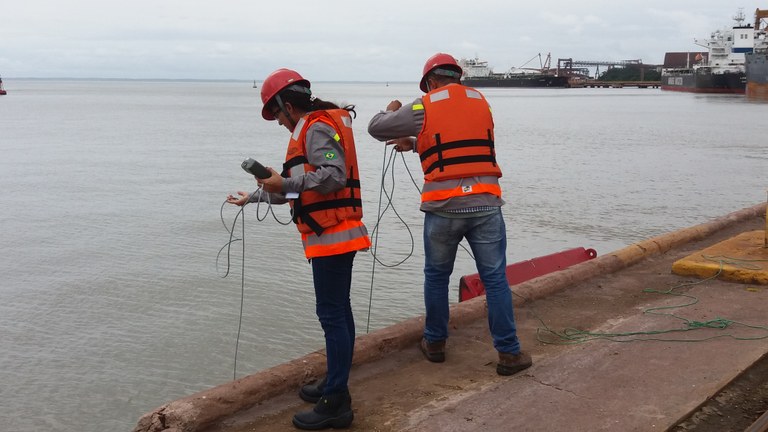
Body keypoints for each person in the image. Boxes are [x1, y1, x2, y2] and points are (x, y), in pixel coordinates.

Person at [367, 53, 532, 376]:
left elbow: (376, 128)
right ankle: (509, 353)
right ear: (459, 77)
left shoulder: (422, 105)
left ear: (430, 82)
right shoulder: (481, 101)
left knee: (436, 277)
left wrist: (391, 110)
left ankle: (435, 343)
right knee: (496, 280)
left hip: (444, 208)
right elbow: (459, 140)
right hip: (486, 204)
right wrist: (415, 144)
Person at [227, 68, 370, 430]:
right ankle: (334, 382)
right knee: (339, 311)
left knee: (332, 314)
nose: (277, 122)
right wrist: (257, 196)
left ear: (287, 106)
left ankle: (337, 400)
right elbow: (298, 190)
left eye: (275, 114)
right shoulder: (311, 128)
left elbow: (333, 176)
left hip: (334, 236)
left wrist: (284, 180)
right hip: (332, 234)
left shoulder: (317, 127)